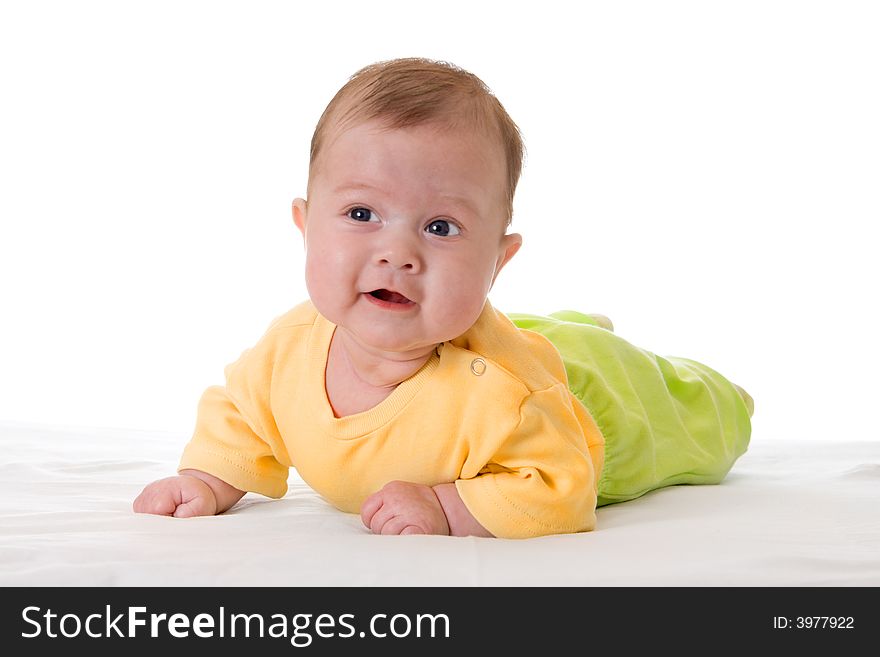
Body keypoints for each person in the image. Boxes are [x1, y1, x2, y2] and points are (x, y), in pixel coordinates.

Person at [133, 57, 753, 539]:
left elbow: (561, 486)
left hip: (592, 410)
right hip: (495, 336)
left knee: (686, 411)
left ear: (497, 262)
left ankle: (692, 384)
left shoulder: (510, 397)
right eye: (360, 212)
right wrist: (209, 480)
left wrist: (445, 505)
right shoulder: (288, 350)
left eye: (440, 227)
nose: (398, 253)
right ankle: (567, 325)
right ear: (305, 226)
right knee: (543, 333)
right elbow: (243, 414)